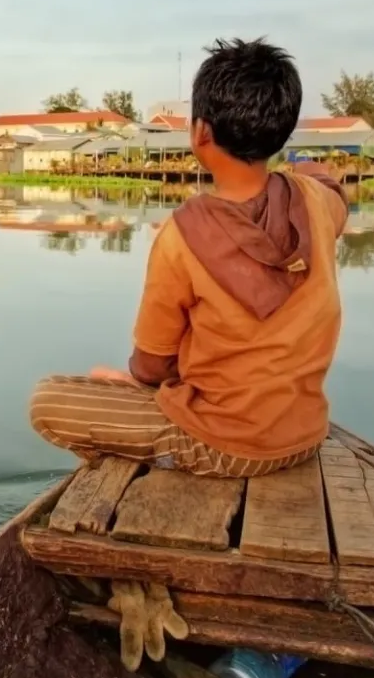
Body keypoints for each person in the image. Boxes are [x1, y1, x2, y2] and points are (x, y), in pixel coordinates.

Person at [28, 38, 349, 477]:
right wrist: (306, 169)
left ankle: (162, 458)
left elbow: (152, 365)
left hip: (222, 445)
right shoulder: (317, 203)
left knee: (48, 399)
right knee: (116, 382)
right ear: (282, 131)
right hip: (303, 437)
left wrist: (137, 387)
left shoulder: (181, 235)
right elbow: (330, 185)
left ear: (200, 133)